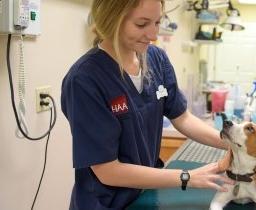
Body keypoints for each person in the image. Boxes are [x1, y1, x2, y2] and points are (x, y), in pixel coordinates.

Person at [61, 0, 234, 209]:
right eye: (142, 24)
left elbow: (182, 117)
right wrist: (186, 177)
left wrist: (233, 142)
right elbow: (107, 170)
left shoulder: (156, 59)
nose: (153, 35)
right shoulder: (85, 80)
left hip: (145, 195)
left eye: (157, 23)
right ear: (111, 20)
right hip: (107, 202)